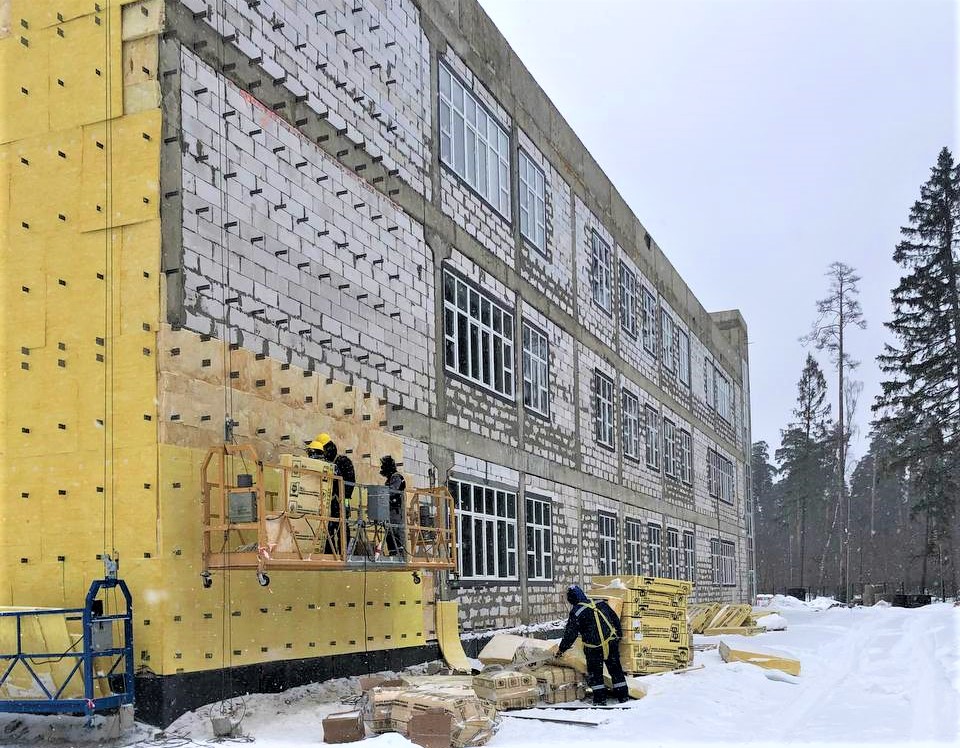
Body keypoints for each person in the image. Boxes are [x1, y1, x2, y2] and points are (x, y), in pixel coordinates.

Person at [555, 585, 629, 705]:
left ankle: (600, 700)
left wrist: (562, 649)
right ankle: (623, 696)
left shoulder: (577, 612)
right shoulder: (600, 603)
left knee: (596, 674)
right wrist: (618, 635)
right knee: (616, 670)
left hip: (593, 648)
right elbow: (615, 618)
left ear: (572, 600)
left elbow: (570, 634)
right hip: (611, 642)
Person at [304, 433, 355, 554]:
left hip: (341, 500)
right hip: (328, 500)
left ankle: (345, 553)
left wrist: (340, 495)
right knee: (328, 526)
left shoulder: (342, 461)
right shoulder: (326, 463)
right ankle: (329, 552)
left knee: (342, 526)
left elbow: (350, 481)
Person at [380, 455, 406, 557]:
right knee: (390, 532)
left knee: (396, 531)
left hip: (396, 511)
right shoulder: (391, 478)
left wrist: (381, 498)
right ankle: (393, 552)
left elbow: (392, 492)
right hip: (390, 511)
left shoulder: (396, 477)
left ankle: (398, 553)